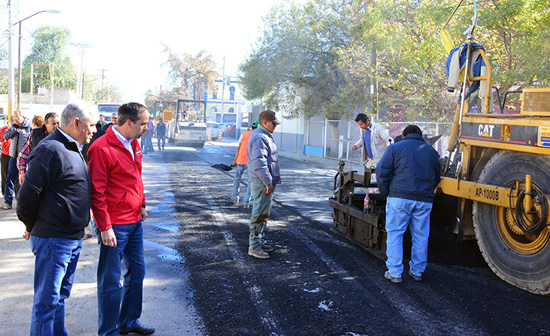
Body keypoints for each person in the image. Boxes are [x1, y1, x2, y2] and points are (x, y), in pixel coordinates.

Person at [16, 103, 97, 335]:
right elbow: (26, 199)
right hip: (54, 240)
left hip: (71, 238)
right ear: (76, 123)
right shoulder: (50, 149)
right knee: (46, 304)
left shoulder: (73, 147)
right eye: (91, 125)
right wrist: (32, 226)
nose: (94, 130)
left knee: (58, 299)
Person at [88, 102, 155, 336]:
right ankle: (108, 331)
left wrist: (142, 204)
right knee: (110, 281)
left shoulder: (134, 143)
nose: (148, 127)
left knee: (137, 273)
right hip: (114, 225)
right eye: (144, 123)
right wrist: (104, 227)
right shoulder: (101, 148)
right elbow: (96, 192)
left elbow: (136, 177)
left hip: (134, 221)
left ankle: (128, 322)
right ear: (129, 123)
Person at [376, 125, 441, 283]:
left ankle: (395, 272)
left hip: (399, 197)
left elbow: (381, 171)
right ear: (421, 135)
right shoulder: (432, 152)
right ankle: (417, 271)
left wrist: (386, 192)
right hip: (424, 200)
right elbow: (437, 177)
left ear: (404, 135)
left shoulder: (395, 148)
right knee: (421, 236)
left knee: (395, 234)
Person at [247, 111, 281, 259]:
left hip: (263, 182)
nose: (275, 126)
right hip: (262, 183)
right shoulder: (260, 137)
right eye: (274, 123)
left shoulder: (263, 135)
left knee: (263, 215)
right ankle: (254, 247)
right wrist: (268, 182)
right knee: (259, 215)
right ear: (265, 122)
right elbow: (259, 164)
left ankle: (259, 243)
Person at [17, 112, 60, 185]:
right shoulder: (34, 134)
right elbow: (23, 155)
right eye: (53, 123)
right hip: (36, 175)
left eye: (58, 123)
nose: (56, 126)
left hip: (55, 177)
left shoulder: (62, 135)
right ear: (46, 124)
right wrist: (22, 172)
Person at [1, 110, 32, 210]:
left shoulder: (28, 127)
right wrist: (14, 130)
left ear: (22, 117)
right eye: (14, 118)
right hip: (13, 157)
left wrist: (21, 132)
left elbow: (30, 139)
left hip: (24, 158)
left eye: (17, 118)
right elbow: (5, 136)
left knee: (23, 180)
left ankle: (22, 201)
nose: (15, 120)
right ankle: (8, 201)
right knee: (9, 179)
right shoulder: (13, 127)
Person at [231, 120, 259, 208]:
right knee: (251, 182)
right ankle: (246, 202)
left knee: (237, 179)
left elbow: (239, 148)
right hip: (251, 162)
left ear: (252, 127)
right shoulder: (259, 136)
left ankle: (235, 197)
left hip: (240, 160)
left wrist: (235, 160)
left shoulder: (244, 134)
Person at [0, 121, 12, 195]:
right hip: (5, 154)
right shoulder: (4, 130)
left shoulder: (19, 129)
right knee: (5, 175)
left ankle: (16, 193)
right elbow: (1, 139)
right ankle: (5, 193)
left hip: (14, 155)